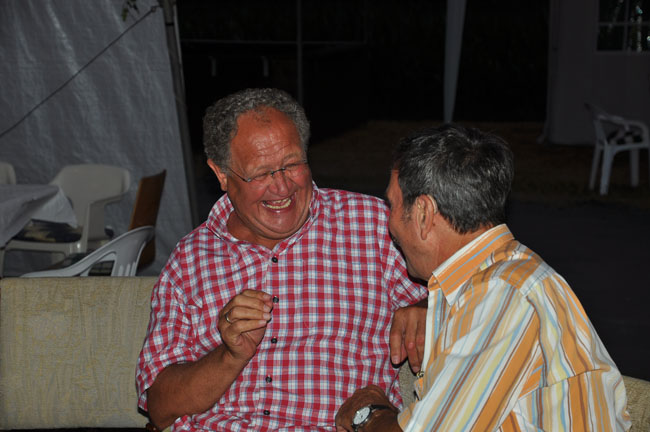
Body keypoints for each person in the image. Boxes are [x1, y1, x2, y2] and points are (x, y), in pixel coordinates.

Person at [135, 88, 428, 431]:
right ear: (221, 174)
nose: (282, 188)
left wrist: (427, 305)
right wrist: (230, 356)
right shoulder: (191, 259)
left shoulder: (371, 227)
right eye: (260, 173)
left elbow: (468, 294)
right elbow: (160, 407)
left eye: (292, 164)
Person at [335, 124, 631, 431]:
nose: (390, 222)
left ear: (423, 213)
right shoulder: (496, 280)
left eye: (392, 205)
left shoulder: (501, 294)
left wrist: (367, 412)